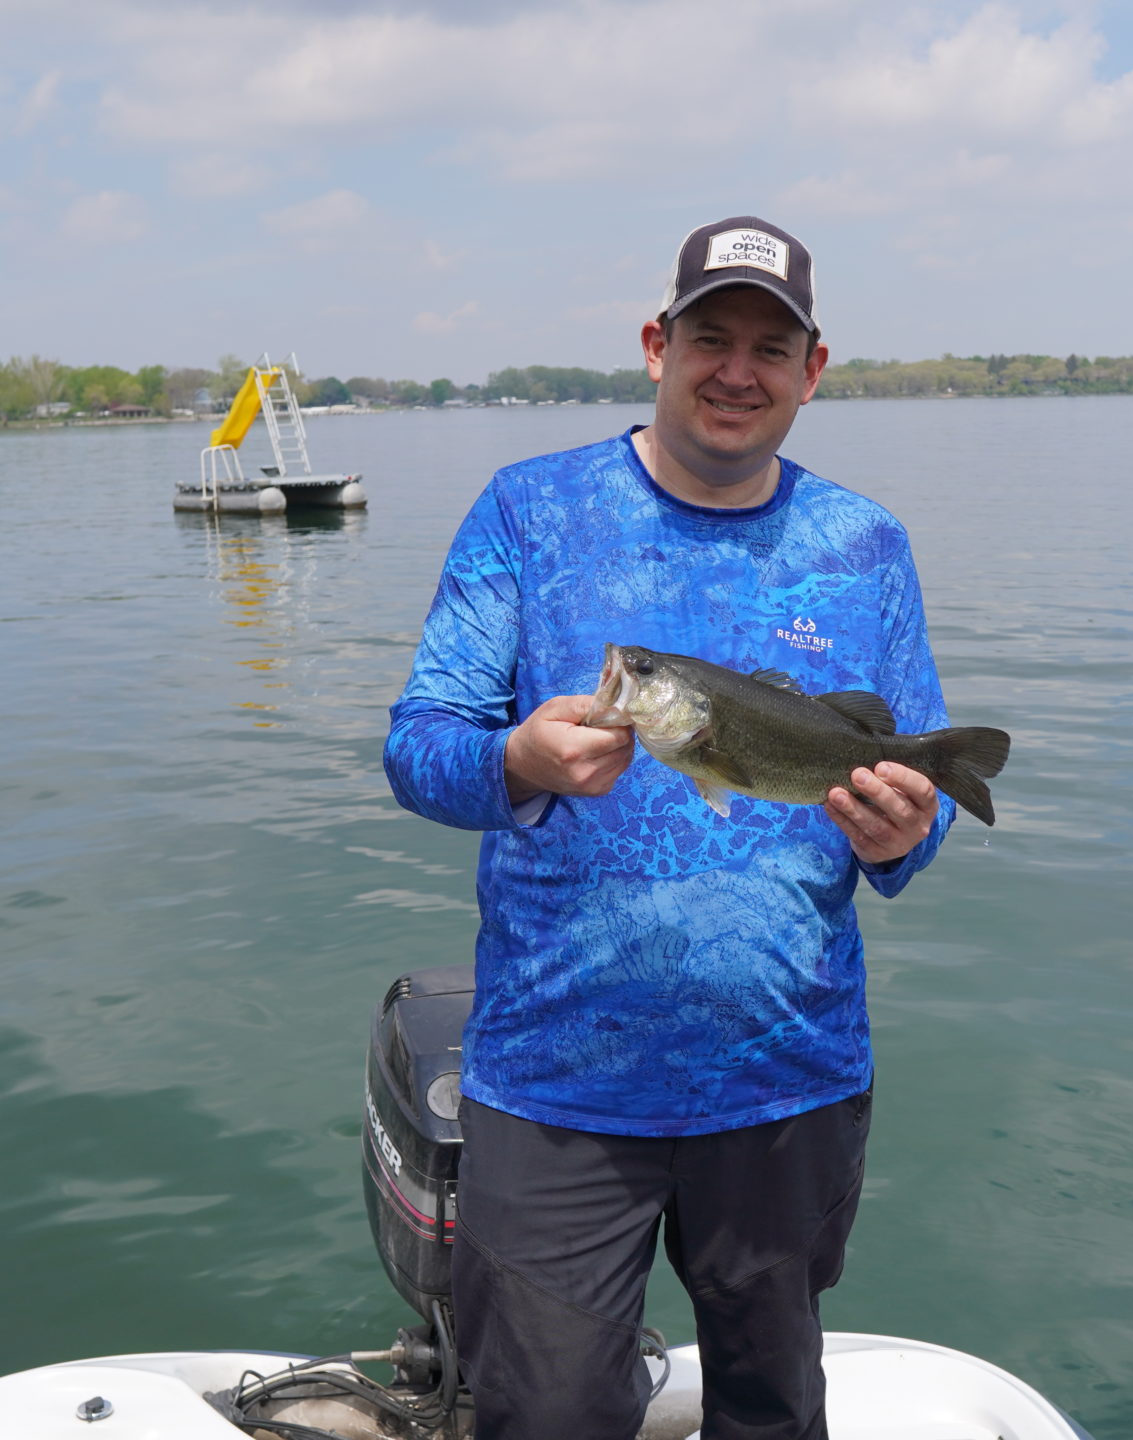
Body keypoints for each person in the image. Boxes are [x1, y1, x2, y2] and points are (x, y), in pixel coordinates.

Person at [384, 215, 963, 1440]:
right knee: (542, 1420)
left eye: (771, 345)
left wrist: (899, 834)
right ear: (657, 344)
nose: (736, 370)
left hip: (786, 1080)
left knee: (769, 1411)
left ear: (813, 372)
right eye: (710, 337)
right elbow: (419, 748)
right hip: (555, 1085)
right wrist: (515, 761)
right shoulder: (529, 512)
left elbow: (920, 816)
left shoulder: (865, 545)